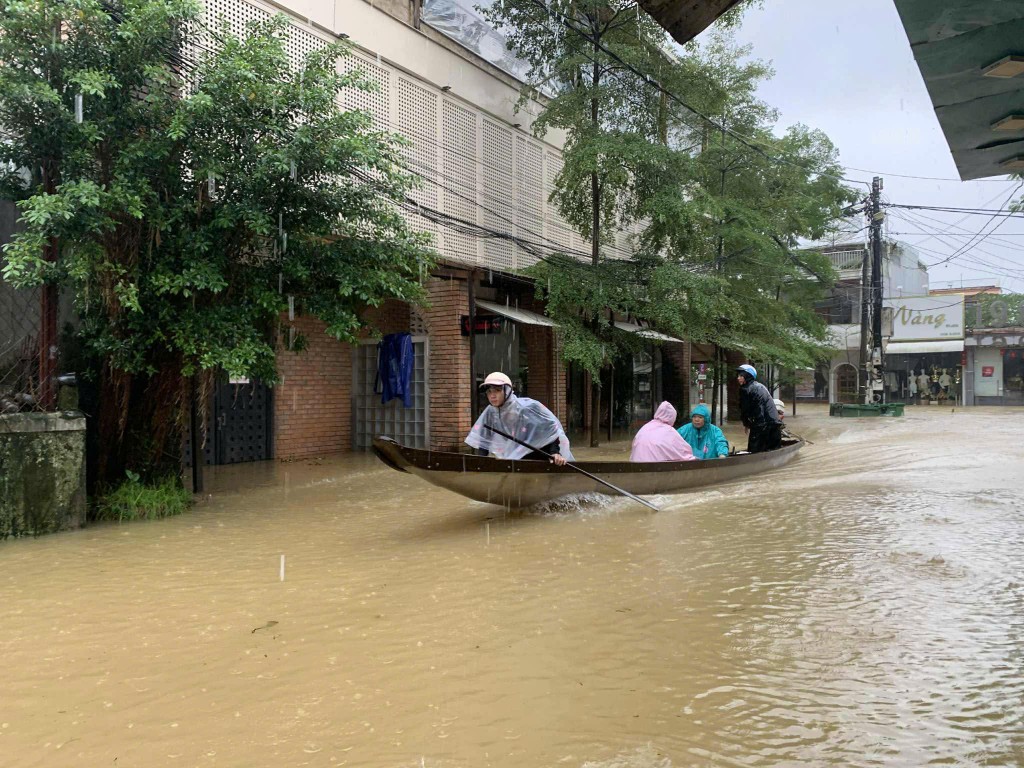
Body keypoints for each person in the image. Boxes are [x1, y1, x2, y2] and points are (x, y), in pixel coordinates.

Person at [465, 372, 571, 465]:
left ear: (507, 391)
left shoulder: (527, 407)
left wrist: (555, 453)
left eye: (497, 391)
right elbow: (484, 439)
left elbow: (550, 429)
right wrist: (480, 463)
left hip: (538, 457)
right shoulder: (490, 412)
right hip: (514, 459)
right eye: (489, 392)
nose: (492, 396)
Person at [736, 364, 782, 453]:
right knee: (774, 451)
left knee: (754, 453)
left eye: (741, 376)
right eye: (738, 376)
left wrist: (746, 424)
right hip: (775, 426)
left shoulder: (746, 389)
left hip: (761, 426)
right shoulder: (760, 386)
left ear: (748, 376)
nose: (738, 378)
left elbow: (745, 410)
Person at [630, 401, 696, 462]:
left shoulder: (644, 428)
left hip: (636, 468)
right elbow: (684, 453)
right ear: (672, 417)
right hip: (657, 470)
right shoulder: (669, 432)